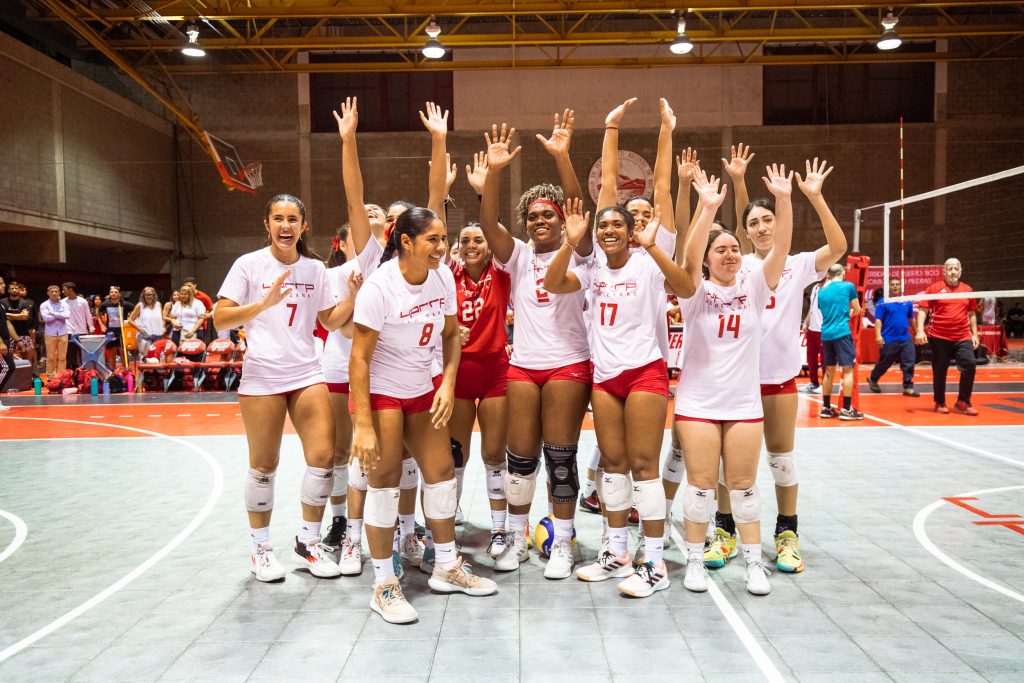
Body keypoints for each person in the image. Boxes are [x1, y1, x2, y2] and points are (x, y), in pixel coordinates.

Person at [350, 206, 498, 624]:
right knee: (384, 484)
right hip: (381, 392)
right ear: (406, 242)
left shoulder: (442, 276)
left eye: (442, 238)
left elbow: (451, 335)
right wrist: (362, 423)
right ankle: (383, 585)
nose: (441, 246)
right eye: (432, 239)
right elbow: (359, 359)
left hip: (421, 387)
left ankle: (447, 566)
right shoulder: (380, 287)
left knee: (441, 474)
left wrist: (447, 383)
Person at [661, 166, 793, 596]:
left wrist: (786, 200)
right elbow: (689, 252)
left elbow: (782, 247)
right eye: (721, 249)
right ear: (708, 259)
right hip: (698, 403)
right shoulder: (695, 292)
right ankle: (695, 562)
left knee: (743, 486)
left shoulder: (756, 285)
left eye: (735, 248)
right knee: (700, 486)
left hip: (743, 405)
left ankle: (755, 564)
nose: (730, 254)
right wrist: (707, 207)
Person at [713, 155, 848, 574]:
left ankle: (787, 533)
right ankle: (725, 530)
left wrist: (815, 198)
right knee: (729, 465)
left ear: (778, 222)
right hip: (737, 383)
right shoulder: (738, 265)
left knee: (781, 460)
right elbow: (731, 232)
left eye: (768, 219)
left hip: (777, 380)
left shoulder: (799, 263)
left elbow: (839, 248)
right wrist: (737, 183)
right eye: (753, 223)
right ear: (746, 230)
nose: (761, 228)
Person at [214, 193, 352, 584]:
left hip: (307, 372)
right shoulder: (248, 265)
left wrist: (354, 298)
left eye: (293, 219)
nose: (285, 226)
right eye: (278, 218)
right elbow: (219, 319)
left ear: (303, 226)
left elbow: (330, 319)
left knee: (324, 457)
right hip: (262, 377)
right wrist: (261, 303)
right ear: (267, 224)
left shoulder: (314, 270)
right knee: (264, 464)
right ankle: (260, 550)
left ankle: (308, 543)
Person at [479, 114, 594, 579]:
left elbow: (574, 203)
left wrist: (563, 156)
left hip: (568, 364)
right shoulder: (519, 256)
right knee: (520, 458)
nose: (541, 220)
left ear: (563, 218)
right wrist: (494, 170)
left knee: (560, 458)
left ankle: (563, 544)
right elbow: (488, 222)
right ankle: (518, 537)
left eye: (549, 213)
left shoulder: (581, 252)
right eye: (533, 216)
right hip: (524, 366)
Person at [916, 258, 979, 415]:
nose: (952, 271)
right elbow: (923, 310)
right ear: (944, 271)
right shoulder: (933, 288)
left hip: (962, 335)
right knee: (939, 370)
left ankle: (963, 401)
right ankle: (939, 401)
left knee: (970, 365)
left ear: (960, 271)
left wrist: (975, 334)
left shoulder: (968, 289)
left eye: (955, 269)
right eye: (949, 269)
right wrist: (920, 330)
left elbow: (971, 314)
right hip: (939, 336)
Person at [817, 263, 864, 420]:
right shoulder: (848, 286)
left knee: (829, 372)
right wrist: (851, 312)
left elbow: (828, 312)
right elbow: (857, 309)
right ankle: (846, 410)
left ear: (829, 275)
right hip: (842, 333)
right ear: (843, 273)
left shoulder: (821, 292)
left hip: (826, 335)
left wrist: (844, 313)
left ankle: (826, 407)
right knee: (848, 370)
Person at [868, 278, 919, 397]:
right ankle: (873, 378)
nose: (895, 287)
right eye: (892, 285)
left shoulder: (907, 302)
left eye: (897, 284)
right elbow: (878, 320)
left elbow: (912, 319)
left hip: (905, 338)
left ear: (901, 287)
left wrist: (917, 333)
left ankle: (908, 387)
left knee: (909, 362)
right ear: (888, 287)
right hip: (889, 338)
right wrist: (878, 335)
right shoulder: (883, 301)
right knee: (885, 363)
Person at [39, 285, 71, 377]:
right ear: (48, 293)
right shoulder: (44, 305)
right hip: (50, 333)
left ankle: (61, 376)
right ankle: (50, 376)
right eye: (52, 291)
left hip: (63, 332)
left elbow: (67, 315)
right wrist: (60, 314)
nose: (54, 293)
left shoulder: (64, 304)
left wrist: (53, 313)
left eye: (56, 291)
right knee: (51, 357)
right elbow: (46, 319)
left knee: (62, 357)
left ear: (59, 292)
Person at [2, 281, 36, 368]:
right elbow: (3, 318)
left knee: (27, 360)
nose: (14, 290)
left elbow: (24, 317)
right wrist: (19, 315)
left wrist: (7, 315)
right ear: (8, 290)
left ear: (18, 290)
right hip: (7, 335)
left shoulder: (24, 302)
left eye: (16, 288)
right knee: (8, 359)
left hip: (23, 333)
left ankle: (27, 379)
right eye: (12, 288)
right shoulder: (2, 302)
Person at [127, 287, 166, 359]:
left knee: (157, 357)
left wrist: (163, 327)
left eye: (150, 294)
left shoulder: (158, 305)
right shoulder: (140, 305)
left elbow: (162, 319)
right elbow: (130, 320)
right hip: (145, 335)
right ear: (143, 296)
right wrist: (140, 329)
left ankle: (155, 370)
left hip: (158, 335)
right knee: (146, 357)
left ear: (154, 295)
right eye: (146, 295)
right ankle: (145, 370)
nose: (149, 296)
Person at [801, 279, 825, 394]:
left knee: (825, 360)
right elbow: (812, 308)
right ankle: (813, 382)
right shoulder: (815, 287)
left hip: (823, 329)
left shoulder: (830, 287)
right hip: (812, 329)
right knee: (811, 359)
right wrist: (806, 322)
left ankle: (826, 384)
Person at [100, 286, 131, 367]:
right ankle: (112, 373)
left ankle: (127, 372)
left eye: (115, 292)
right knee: (112, 353)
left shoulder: (125, 304)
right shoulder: (106, 304)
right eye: (111, 292)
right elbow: (98, 311)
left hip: (122, 332)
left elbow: (136, 310)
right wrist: (102, 324)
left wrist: (131, 321)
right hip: (110, 332)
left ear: (119, 294)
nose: (113, 293)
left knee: (123, 352)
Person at [62, 282, 91, 369]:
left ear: (71, 290)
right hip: (68, 332)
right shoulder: (62, 302)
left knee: (83, 354)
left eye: (64, 290)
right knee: (70, 354)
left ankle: (84, 372)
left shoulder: (83, 301)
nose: (63, 292)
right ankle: (71, 373)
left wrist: (91, 328)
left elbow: (88, 315)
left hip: (82, 331)